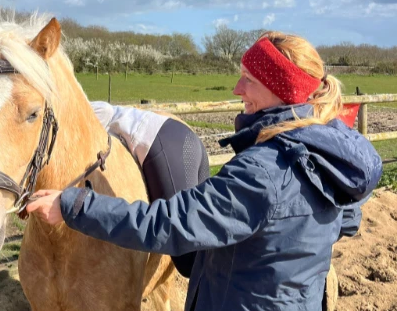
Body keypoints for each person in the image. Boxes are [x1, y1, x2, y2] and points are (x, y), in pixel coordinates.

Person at [27, 31, 383, 310]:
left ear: (281, 91)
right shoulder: (324, 156)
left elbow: (168, 224)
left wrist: (74, 205)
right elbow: (346, 221)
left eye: (250, 80)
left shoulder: (264, 171)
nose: (237, 89)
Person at [90, 101, 210, 277]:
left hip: (164, 143)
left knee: (189, 259)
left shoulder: (78, 110)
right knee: (206, 240)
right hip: (178, 138)